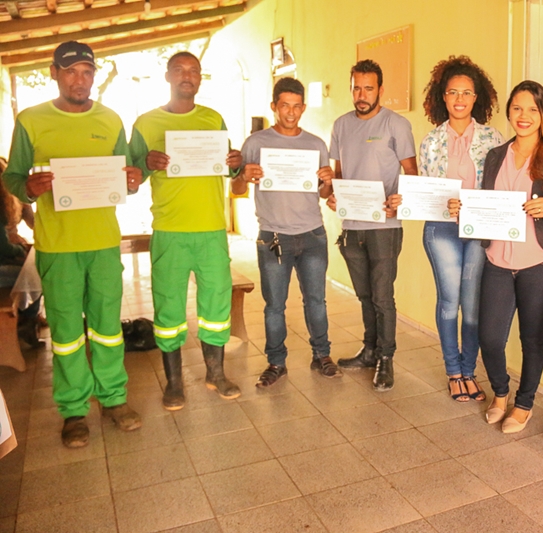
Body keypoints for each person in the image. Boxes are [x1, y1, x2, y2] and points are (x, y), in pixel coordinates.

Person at [2, 41, 143, 447]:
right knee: (65, 333)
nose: (79, 80)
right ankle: (74, 411)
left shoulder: (111, 119)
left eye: (87, 71)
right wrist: (26, 187)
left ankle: (114, 399)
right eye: (71, 71)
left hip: (102, 242)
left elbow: (125, 181)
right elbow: (13, 177)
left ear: (94, 75)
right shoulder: (31, 120)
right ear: (53, 73)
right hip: (57, 245)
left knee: (107, 329)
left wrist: (132, 181)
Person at [450, 81, 543, 433]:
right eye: (518, 108)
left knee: (531, 338)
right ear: (509, 112)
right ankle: (500, 393)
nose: (524, 116)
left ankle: (524, 404)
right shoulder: (495, 156)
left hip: (540, 260)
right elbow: (486, 206)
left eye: (533, 109)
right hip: (498, 260)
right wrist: (465, 209)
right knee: (489, 336)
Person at [130, 51, 242, 410]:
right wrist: (145, 163)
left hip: (211, 229)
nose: (187, 76)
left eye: (193, 70)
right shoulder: (146, 123)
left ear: (200, 78)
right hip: (170, 230)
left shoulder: (213, 118)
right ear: (167, 76)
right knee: (169, 307)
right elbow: (129, 179)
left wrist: (235, 164)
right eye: (179, 69)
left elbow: (228, 168)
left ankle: (216, 373)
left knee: (215, 303)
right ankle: (174, 382)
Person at [233, 78, 339, 386]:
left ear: (303, 108)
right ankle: (276, 362)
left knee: (316, 301)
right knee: (274, 306)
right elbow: (237, 189)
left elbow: (322, 193)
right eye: (284, 106)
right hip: (273, 237)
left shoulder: (316, 144)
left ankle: (322, 355)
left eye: (296, 107)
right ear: (274, 107)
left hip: (312, 235)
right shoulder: (255, 142)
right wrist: (242, 175)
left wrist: (328, 180)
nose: (291, 113)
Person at [414, 56, 504, 401]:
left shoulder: (493, 138)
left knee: (472, 301)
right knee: (450, 300)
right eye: (453, 92)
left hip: (479, 229)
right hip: (442, 229)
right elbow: (425, 193)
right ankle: (454, 371)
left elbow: (499, 186)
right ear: (443, 97)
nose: (460, 99)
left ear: (477, 97)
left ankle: (470, 370)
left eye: (467, 92)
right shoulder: (431, 141)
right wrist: (443, 203)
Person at [327, 59, 417, 391]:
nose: (361, 94)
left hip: (384, 228)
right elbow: (338, 175)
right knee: (364, 295)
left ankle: (386, 359)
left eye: (368, 87)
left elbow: (413, 175)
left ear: (381, 89)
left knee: (383, 297)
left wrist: (401, 199)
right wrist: (333, 195)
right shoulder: (340, 125)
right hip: (352, 226)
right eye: (356, 87)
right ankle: (369, 350)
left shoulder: (397, 124)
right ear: (350, 88)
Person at [0, 176, 41, 347]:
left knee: (30, 269)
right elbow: (3, 247)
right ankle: (27, 321)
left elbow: (33, 222)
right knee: (34, 274)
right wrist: (20, 249)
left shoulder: (18, 200)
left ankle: (27, 318)